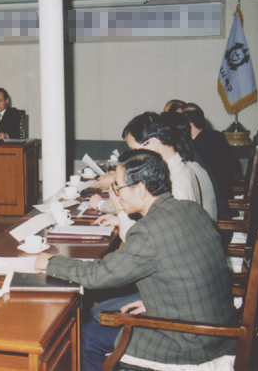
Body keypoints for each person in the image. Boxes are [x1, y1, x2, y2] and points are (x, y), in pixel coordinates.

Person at [36, 150, 237, 371]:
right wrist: (158, 303)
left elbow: (98, 276)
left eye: (118, 187)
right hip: (217, 328)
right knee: (98, 315)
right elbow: (192, 271)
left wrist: (51, 262)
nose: (116, 195)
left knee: (83, 337)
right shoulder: (191, 209)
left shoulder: (148, 231)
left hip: (187, 343)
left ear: (140, 189)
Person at [182, 103, 239, 200]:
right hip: (224, 192)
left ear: (189, 123)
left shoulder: (197, 146)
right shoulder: (216, 135)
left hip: (216, 198)